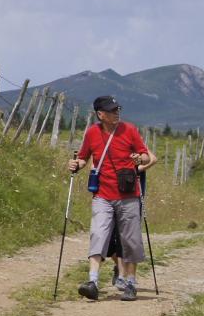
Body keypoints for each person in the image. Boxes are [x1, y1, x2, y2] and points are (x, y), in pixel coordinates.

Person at [67, 96, 157, 301]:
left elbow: (145, 155)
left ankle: (131, 283)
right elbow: (83, 157)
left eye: (118, 109)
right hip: (102, 195)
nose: (117, 112)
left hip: (128, 194)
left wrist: (138, 159)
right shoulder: (92, 133)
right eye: (112, 110)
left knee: (130, 239)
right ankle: (93, 281)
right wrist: (75, 165)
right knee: (98, 233)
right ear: (101, 114)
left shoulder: (130, 130)